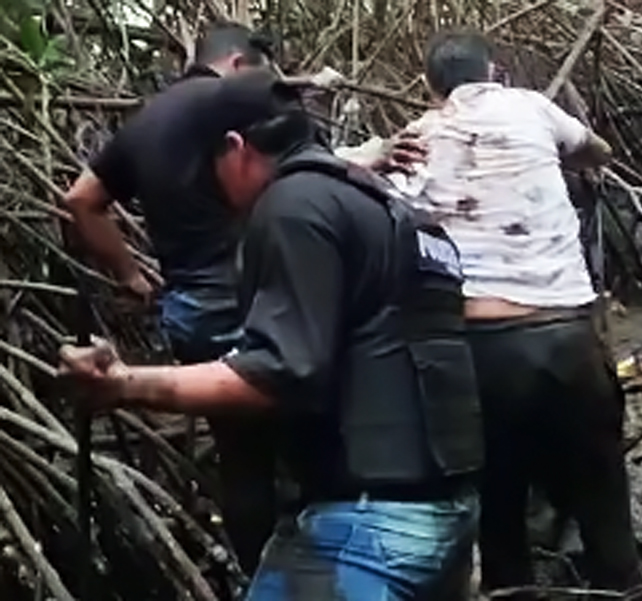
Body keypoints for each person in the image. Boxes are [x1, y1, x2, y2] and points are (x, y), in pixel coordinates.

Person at [60, 70, 483, 601]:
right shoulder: (387, 204)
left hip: (369, 527)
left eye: (213, 171)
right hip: (449, 510)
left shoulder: (293, 205)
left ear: (235, 149)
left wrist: (124, 384)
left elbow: (279, 371)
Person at [389, 30, 642, 599]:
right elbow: (596, 151)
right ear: (495, 72)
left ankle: (513, 588)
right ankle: (624, 586)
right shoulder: (530, 106)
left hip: (480, 350)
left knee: (496, 498)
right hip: (567, 338)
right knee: (601, 488)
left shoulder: (414, 139)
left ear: (431, 88)